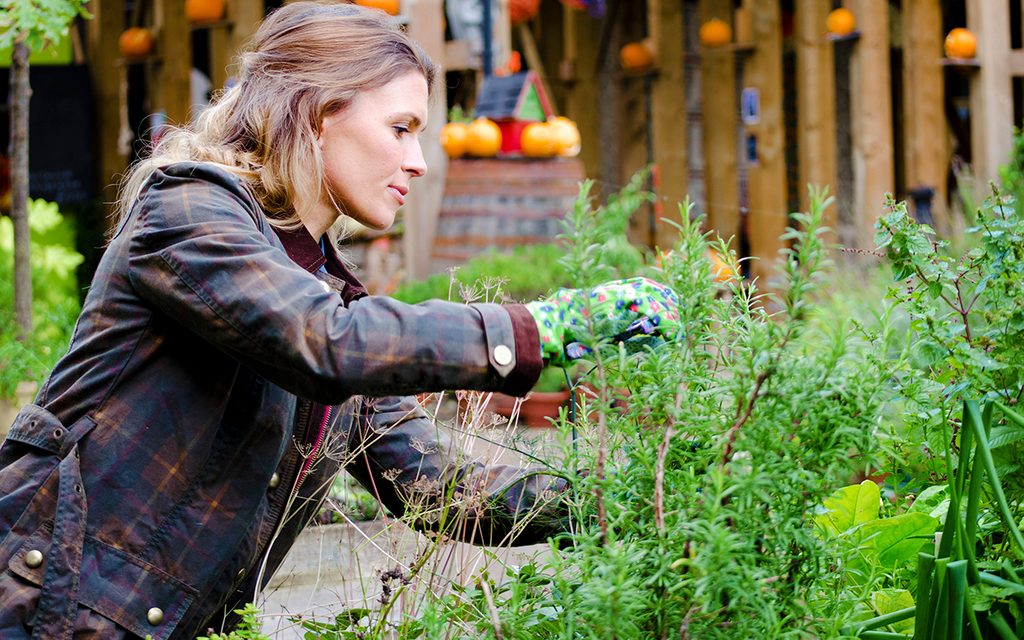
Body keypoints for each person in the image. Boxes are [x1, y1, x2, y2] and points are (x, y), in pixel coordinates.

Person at [0, 3, 680, 638]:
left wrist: (625, 501)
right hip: (42, 612)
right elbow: (323, 342)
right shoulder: (187, 213)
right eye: (400, 128)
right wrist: (540, 325)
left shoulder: (322, 295)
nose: (417, 160)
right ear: (315, 115)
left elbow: (437, 488)